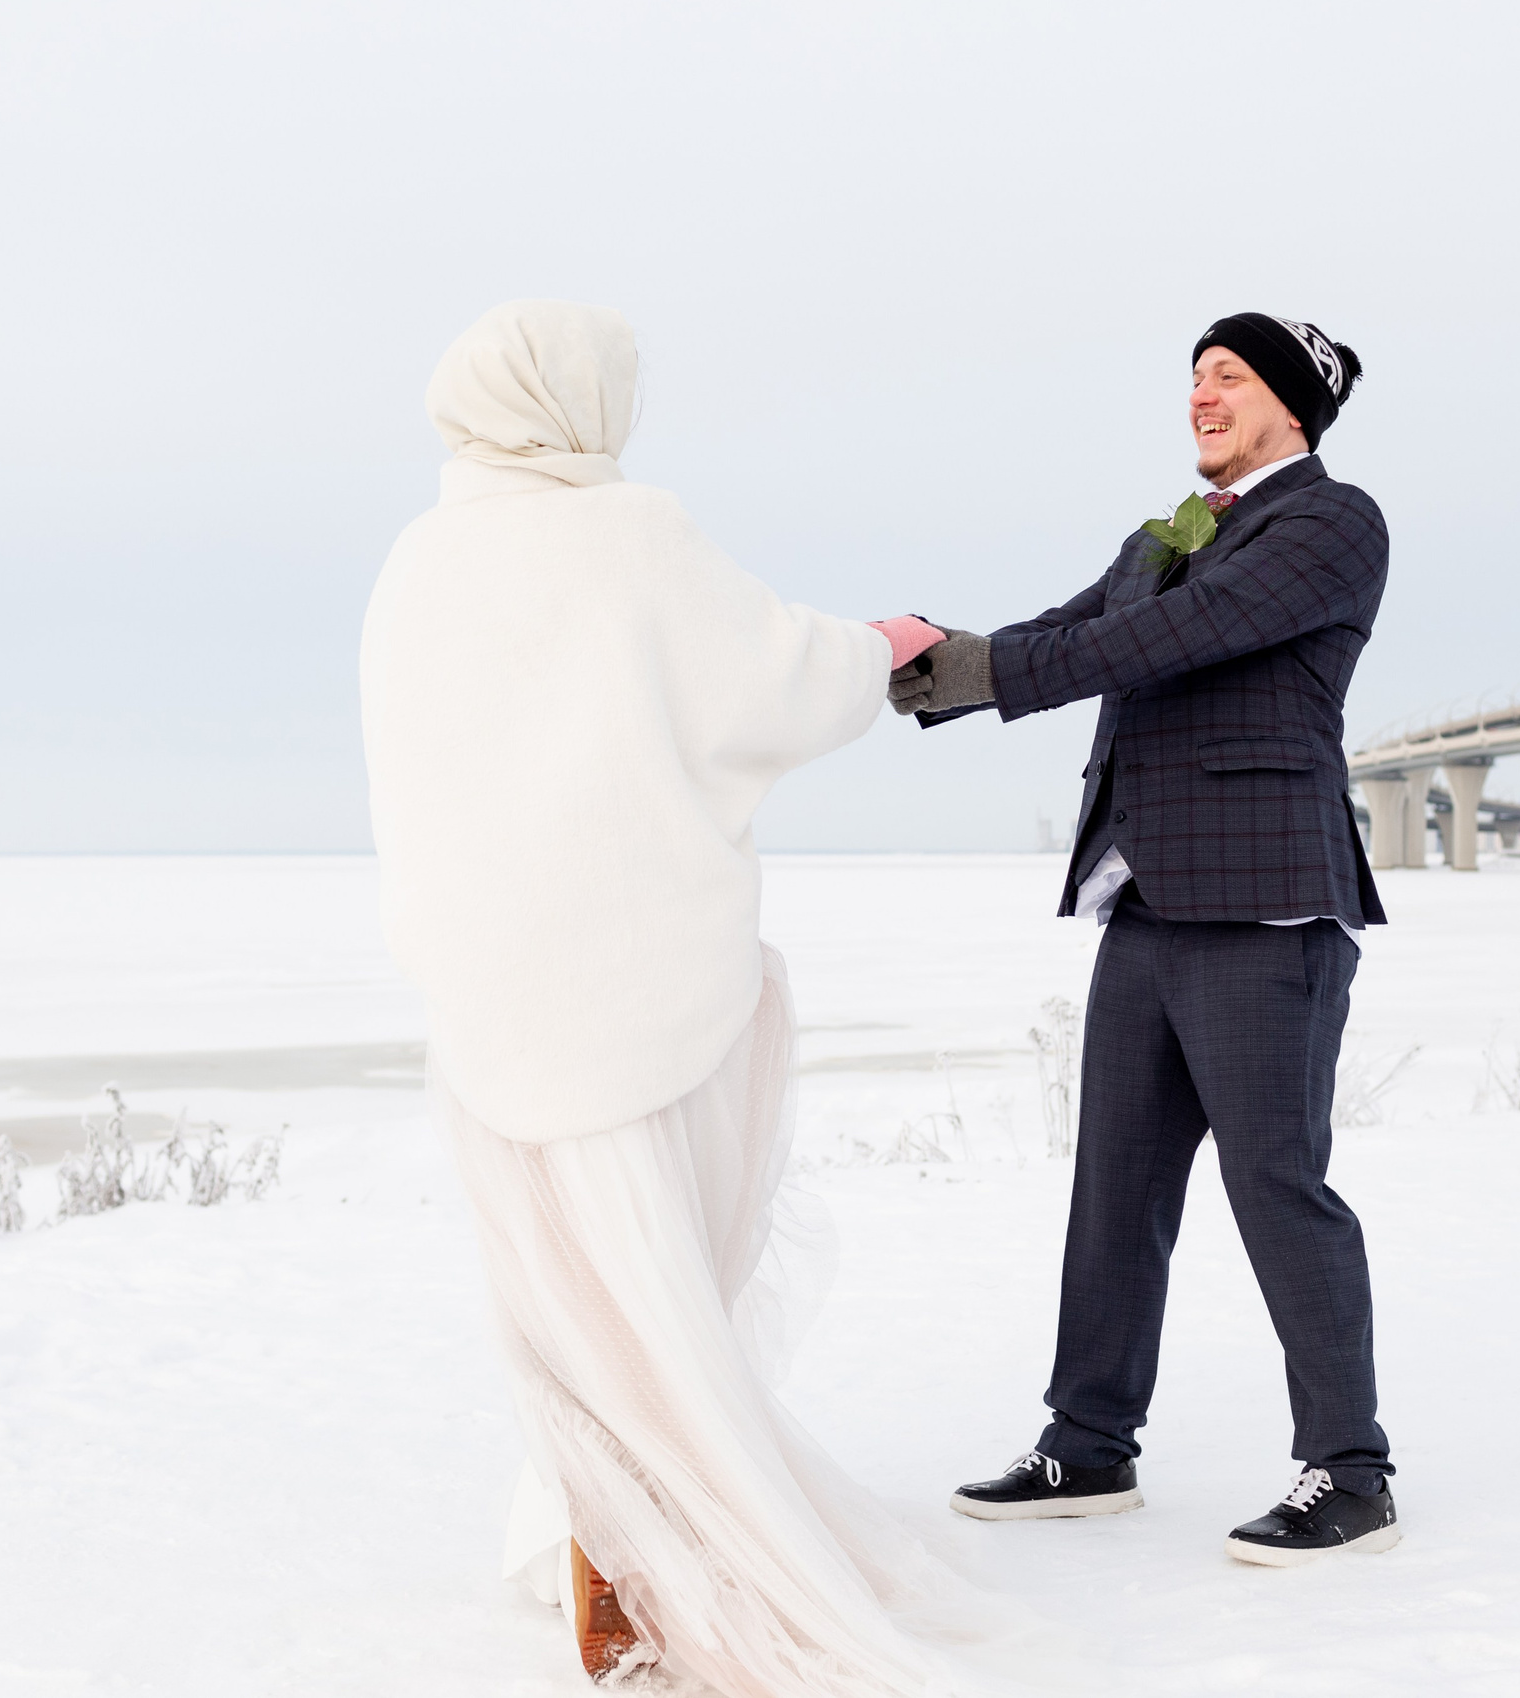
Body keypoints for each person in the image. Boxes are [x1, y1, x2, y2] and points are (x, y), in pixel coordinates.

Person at [359, 301, 997, 1692]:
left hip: (489, 990)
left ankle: (592, 1523)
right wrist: (885, 638)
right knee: (664, 1286)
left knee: (561, 1300)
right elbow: (776, 675)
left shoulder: (418, 561)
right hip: (637, 981)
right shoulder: (630, 532)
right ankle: (656, 1550)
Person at [886, 312, 1399, 1566]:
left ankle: (1349, 1468)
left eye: (1228, 375)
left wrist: (982, 670)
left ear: (1291, 401)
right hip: (1148, 898)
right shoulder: (1163, 533)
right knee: (1114, 1183)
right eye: (1192, 377)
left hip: (1265, 900)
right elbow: (1069, 632)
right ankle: (1088, 1440)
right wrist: (894, 665)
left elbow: (1166, 640)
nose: (1199, 395)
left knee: (1275, 1185)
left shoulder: (1331, 522)